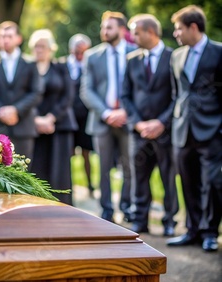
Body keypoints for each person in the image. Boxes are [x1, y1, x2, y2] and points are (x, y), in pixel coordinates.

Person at [166, 5, 222, 252]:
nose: (176, 34)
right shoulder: (176, 55)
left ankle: (211, 232)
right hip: (182, 129)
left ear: (193, 27)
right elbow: (177, 93)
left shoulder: (219, 52)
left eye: (179, 29)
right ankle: (193, 230)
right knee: (187, 181)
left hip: (212, 130)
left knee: (212, 183)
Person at [121, 14, 178, 236]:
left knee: (168, 178)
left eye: (135, 32)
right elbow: (125, 95)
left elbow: (177, 95)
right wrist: (137, 123)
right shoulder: (131, 59)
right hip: (139, 132)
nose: (132, 36)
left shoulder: (173, 57)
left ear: (150, 32)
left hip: (165, 132)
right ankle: (140, 220)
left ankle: (170, 221)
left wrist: (161, 123)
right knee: (139, 178)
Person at [80, 11, 136, 222]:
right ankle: (106, 209)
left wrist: (125, 112)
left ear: (122, 30)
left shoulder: (135, 52)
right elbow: (87, 90)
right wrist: (106, 112)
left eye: (109, 27)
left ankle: (127, 205)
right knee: (103, 167)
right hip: (101, 119)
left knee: (130, 165)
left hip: (128, 118)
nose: (104, 31)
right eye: (103, 27)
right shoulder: (92, 56)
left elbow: (139, 89)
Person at [0, 21, 42, 160]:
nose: (5, 40)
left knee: (24, 174)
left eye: (9, 36)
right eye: (2, 36)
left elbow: (36, 92)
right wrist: (0, 111)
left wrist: (15, 110)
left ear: (19, 39)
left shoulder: (30, 64)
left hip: (24, 126)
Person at [29, 29, 77, 205]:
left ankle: (62, 207)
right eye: (36, 46)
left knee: (60, 171)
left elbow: (68, 96)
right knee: (37, 168)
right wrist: (36, 119)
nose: (39, 50)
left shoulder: (60, 67)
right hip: (33, 126)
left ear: (51, 48)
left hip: (60, 125)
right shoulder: (28, 68)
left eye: (43, 46)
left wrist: (51, 118)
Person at [62, 33, 94, 197]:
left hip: (86, 116)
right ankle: (69, 186)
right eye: (77, 51)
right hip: (67, 116)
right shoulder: (63, 64)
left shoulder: (90, 65)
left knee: (86, 153)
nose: (79, 55)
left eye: (83, 51)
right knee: (67, 152)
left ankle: (90, 185)